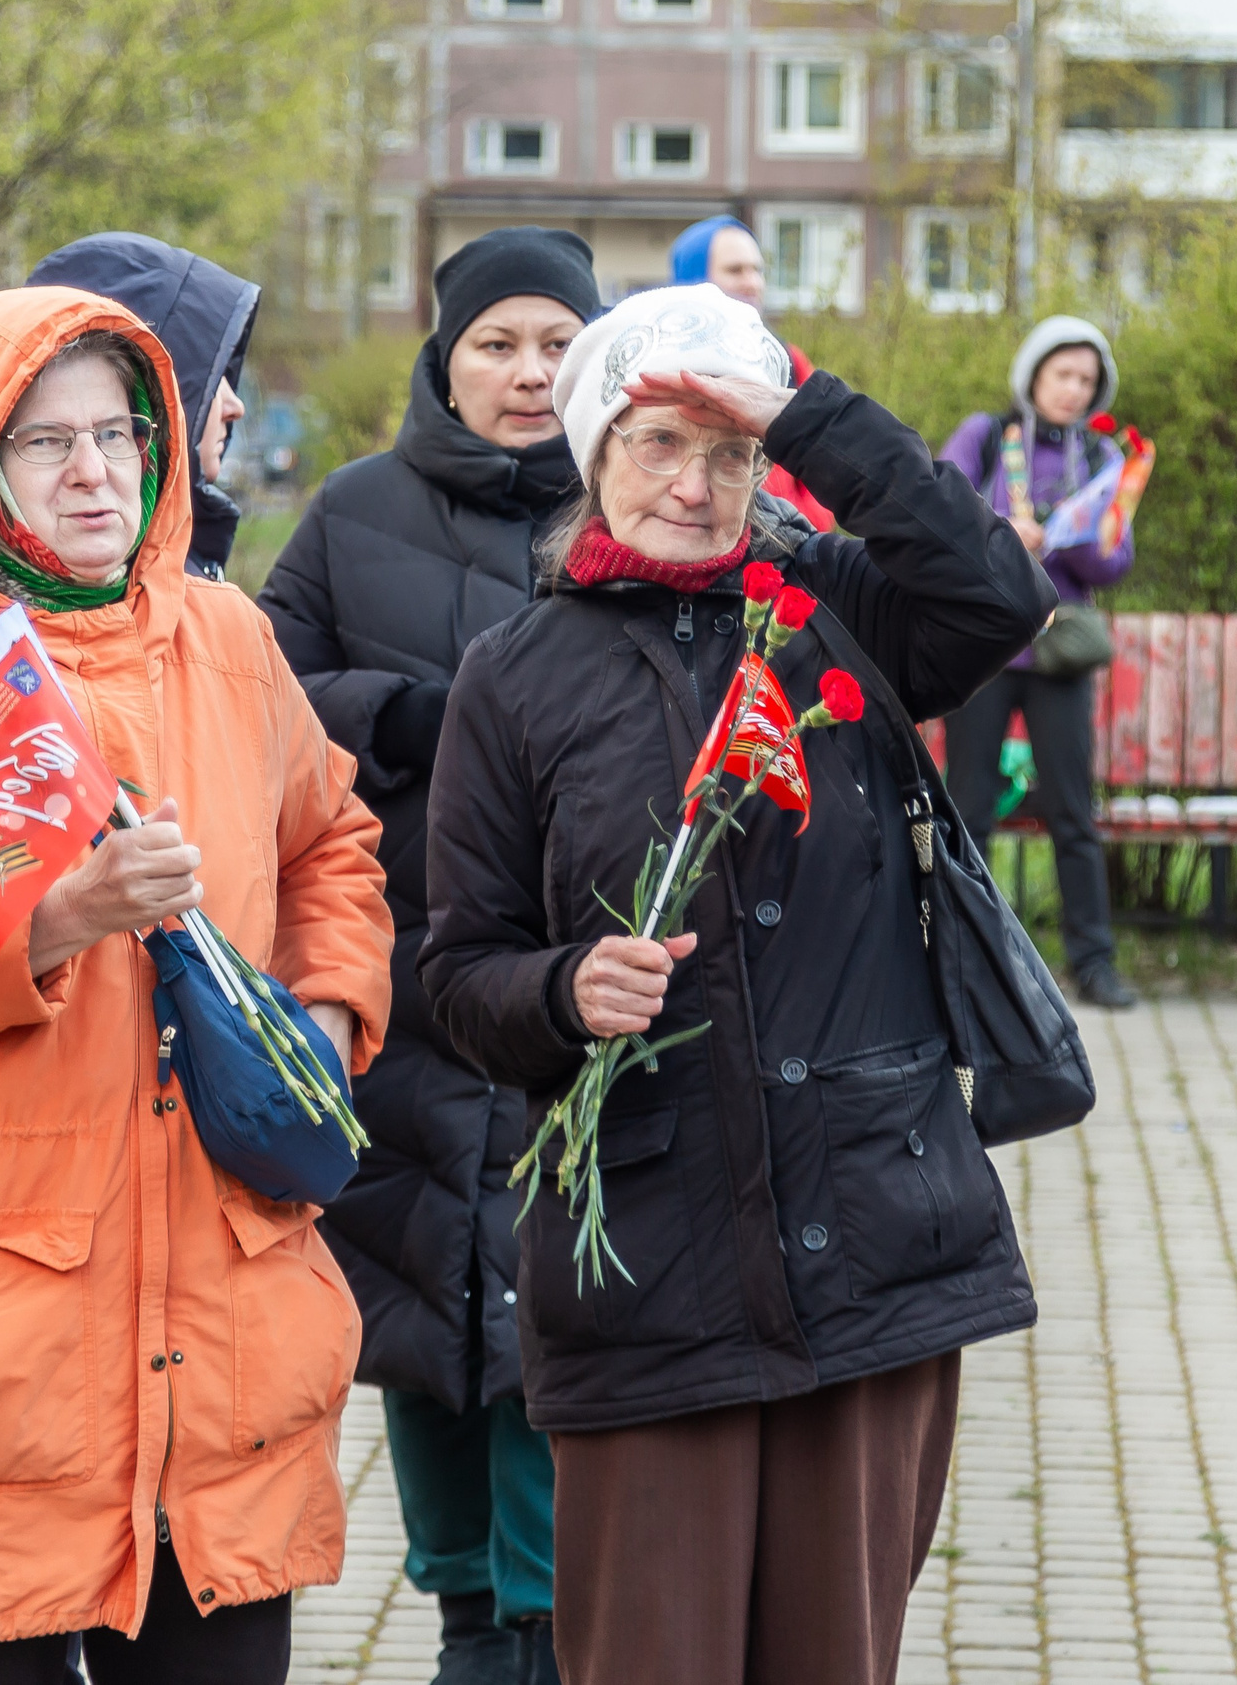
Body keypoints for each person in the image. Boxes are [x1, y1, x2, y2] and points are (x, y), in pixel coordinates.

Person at [418, 283, 1054, 1684]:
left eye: (731, 451)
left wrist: (810, 417)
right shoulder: (512, 679)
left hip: (869, 1243)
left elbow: (1002, 593)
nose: (695, 487)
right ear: (592, 455)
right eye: (657, 443)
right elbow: (456, 974)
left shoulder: (843, 617)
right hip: (650, 1264)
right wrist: (564, 986)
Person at [0, 285, 393, 1685]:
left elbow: (332, 842)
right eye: (42, 442)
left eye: (116, 430)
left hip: (216, 1350)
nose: (94, 469)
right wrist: (54, 923)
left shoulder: (227, 643)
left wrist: (327, 1027)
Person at [258, 224, 596, 1685]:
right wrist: (406, 716)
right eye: (498, 345)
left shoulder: (629, 501)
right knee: (408, 1297)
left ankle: (538, 1618)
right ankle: (464, 1610)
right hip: (396, 961)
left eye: (558, 344)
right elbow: (259, 687)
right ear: (443, 360)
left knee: (546, 1302)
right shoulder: (353, 509)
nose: (530, 374)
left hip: (570, 976)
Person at [937, 315, 1137, 1011]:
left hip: (1059, 654)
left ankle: (1094, 965)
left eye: (1087, 379)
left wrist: (1061, 537)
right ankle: (962, 967)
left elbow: (1113, 559)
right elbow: (938, 514)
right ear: (1035, 374)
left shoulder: (1106, 457)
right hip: (985, 648)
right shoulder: (986, 435)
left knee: (1073, 814)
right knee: (967, 810)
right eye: (1063, 374)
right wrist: (1002, 530)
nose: (1074, 390)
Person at [27, 232, 259, 581]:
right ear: (160, 386)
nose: (235, 405)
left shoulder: (205, 598)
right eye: (213, 373)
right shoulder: (109, 590)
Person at [669, 215, 834, 531]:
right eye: (735, 270)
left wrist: (802, 525)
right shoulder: (663, 368)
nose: (753, 282)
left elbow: (823, 461)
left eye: (757, 270)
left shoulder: (789, 360)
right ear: (693, 278)